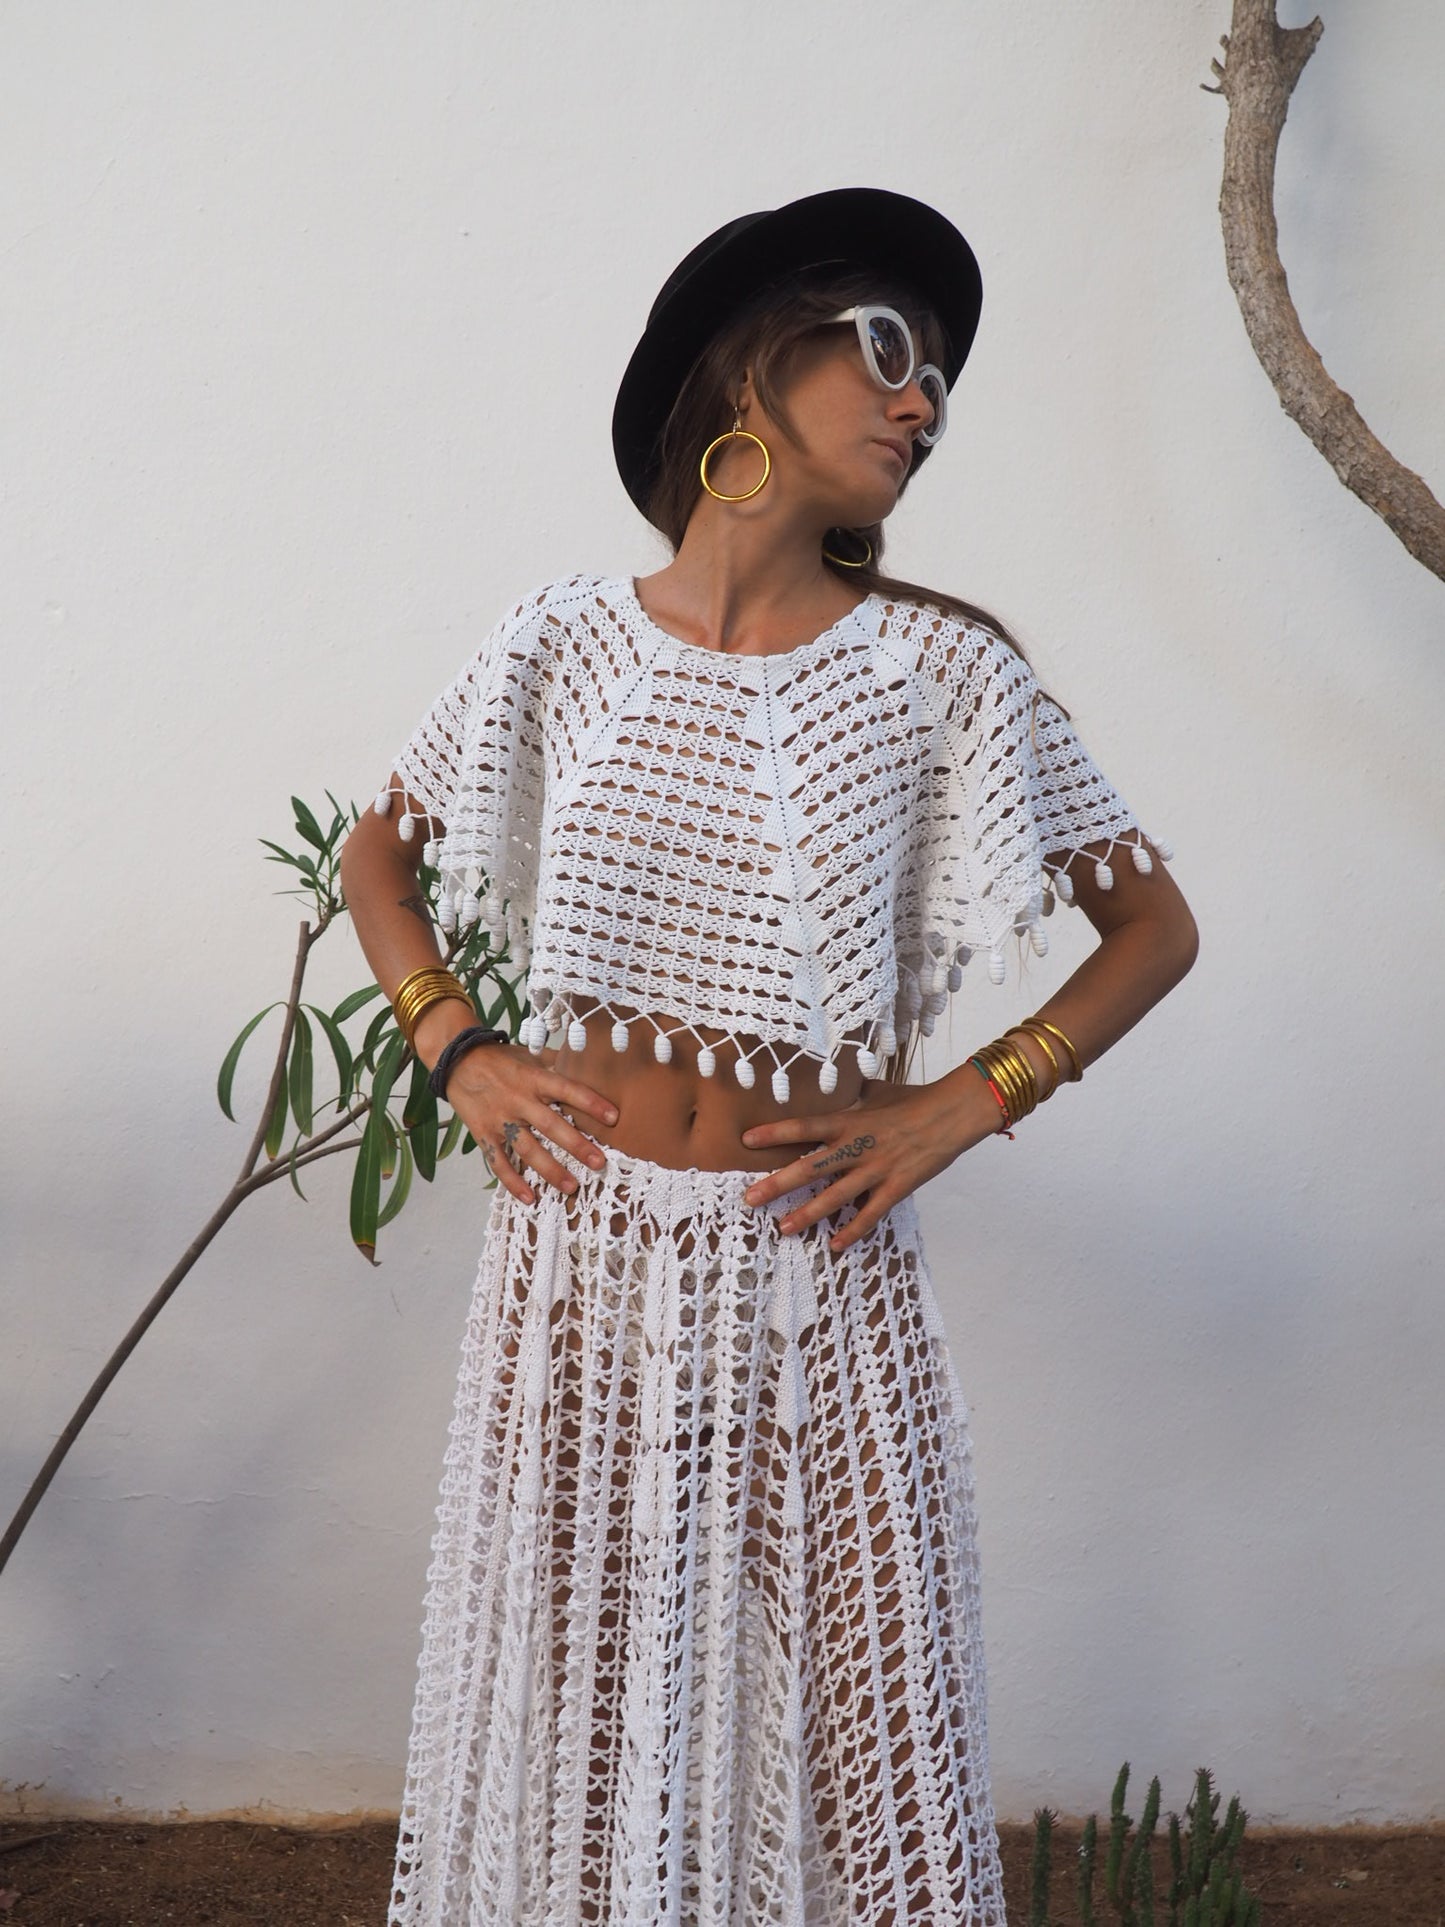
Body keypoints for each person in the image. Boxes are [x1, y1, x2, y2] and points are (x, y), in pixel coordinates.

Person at [340, 186, 1198, 1927]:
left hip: (818, 1255)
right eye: (887, 350)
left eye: (938, 382)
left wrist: (964, 1105)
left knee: (869, 1710)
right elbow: (379, 858)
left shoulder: (942, 673)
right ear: (751, 368)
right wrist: (462, 1053)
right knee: (590, 1713)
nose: (920, 402)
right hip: (580, 1259)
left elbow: (1152, 930)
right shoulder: (559, 641)